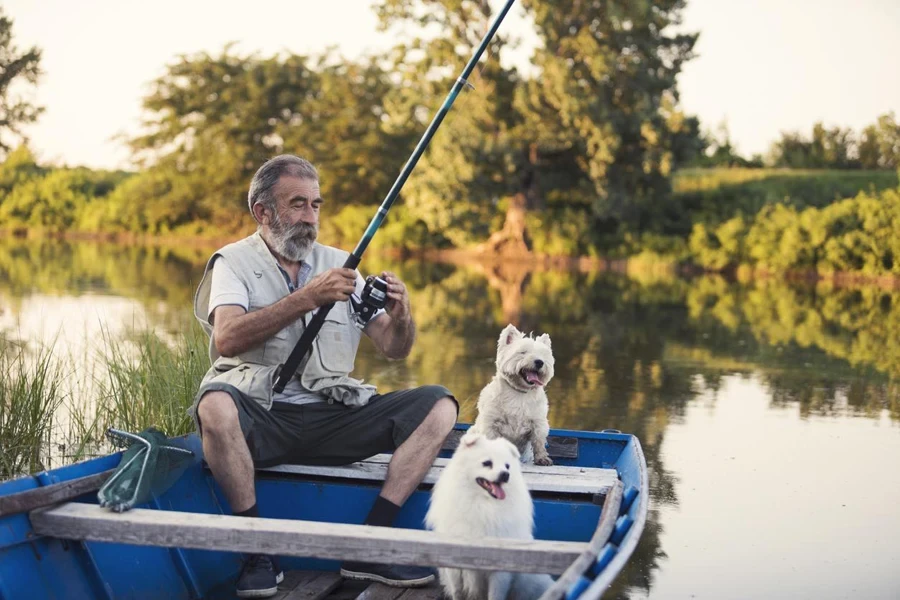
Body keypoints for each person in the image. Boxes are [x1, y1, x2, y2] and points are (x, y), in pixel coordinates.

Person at [190, 154, 458, 599]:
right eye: (298, 204)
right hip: (264, 417)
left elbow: (394, 348)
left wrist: (403, 313)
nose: (310, 217)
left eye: (316, 205)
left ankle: (370, 543)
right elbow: (228, 338)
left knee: (439, 404)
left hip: (333, 418)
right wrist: (307, 298)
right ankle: (257, 551)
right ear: (263, 212)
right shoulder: (233, 263)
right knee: (214, 404)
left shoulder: (342, 266)